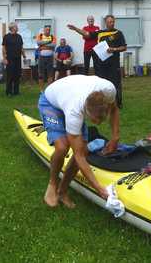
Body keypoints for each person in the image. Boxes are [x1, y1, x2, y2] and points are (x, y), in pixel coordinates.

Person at [38, 75, 120, 207]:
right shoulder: (74, 111)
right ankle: (52, 185)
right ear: (86, 111)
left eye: (101, 120)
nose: (98, 123)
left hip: (69, 93)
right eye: (94, 120)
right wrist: (98, 187)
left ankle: (62, 191)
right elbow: (79, 156)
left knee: (84, 149)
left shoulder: (109, 90)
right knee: (62, 147)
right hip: (51, 102)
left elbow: (114, 109)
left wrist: (115, 138)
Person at [68, 15, 127, 108]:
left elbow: (124, 47)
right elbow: (87, 34)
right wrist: (75, 29)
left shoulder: (118, 33)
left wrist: (114, 49)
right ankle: (103, 103)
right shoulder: (100, 33)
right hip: (102, 64)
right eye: (109, 22)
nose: (112, 23)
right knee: (102, 84)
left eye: (113, 21)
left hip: (114, 64)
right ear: (106, 23)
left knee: (115, 83)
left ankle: (118, 103)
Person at [2, 22, 25, 96]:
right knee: (10, 75)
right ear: (12, 28)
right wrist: (4, 58)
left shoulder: (19, 36)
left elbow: (21, 47)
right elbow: (4, 48)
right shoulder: (6, 37)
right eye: (16, 27)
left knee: (17, 75)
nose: (17, 28)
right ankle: (8, 92)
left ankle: (16, 91)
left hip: (18, 58)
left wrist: (24, 55)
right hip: (9, 58)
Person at [36, 25, 56, 91]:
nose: (48, 31)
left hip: (50, 57)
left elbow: (53, 45)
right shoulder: (40, 36)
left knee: (50, 74)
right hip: (41, 57)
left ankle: (48, 90)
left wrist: (42, 45)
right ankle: (41, 90)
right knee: (41, 74)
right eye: (46, 30)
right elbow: (38, 43)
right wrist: (48, 43)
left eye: (49, 30)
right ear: (44, 30)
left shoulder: (52, 37)